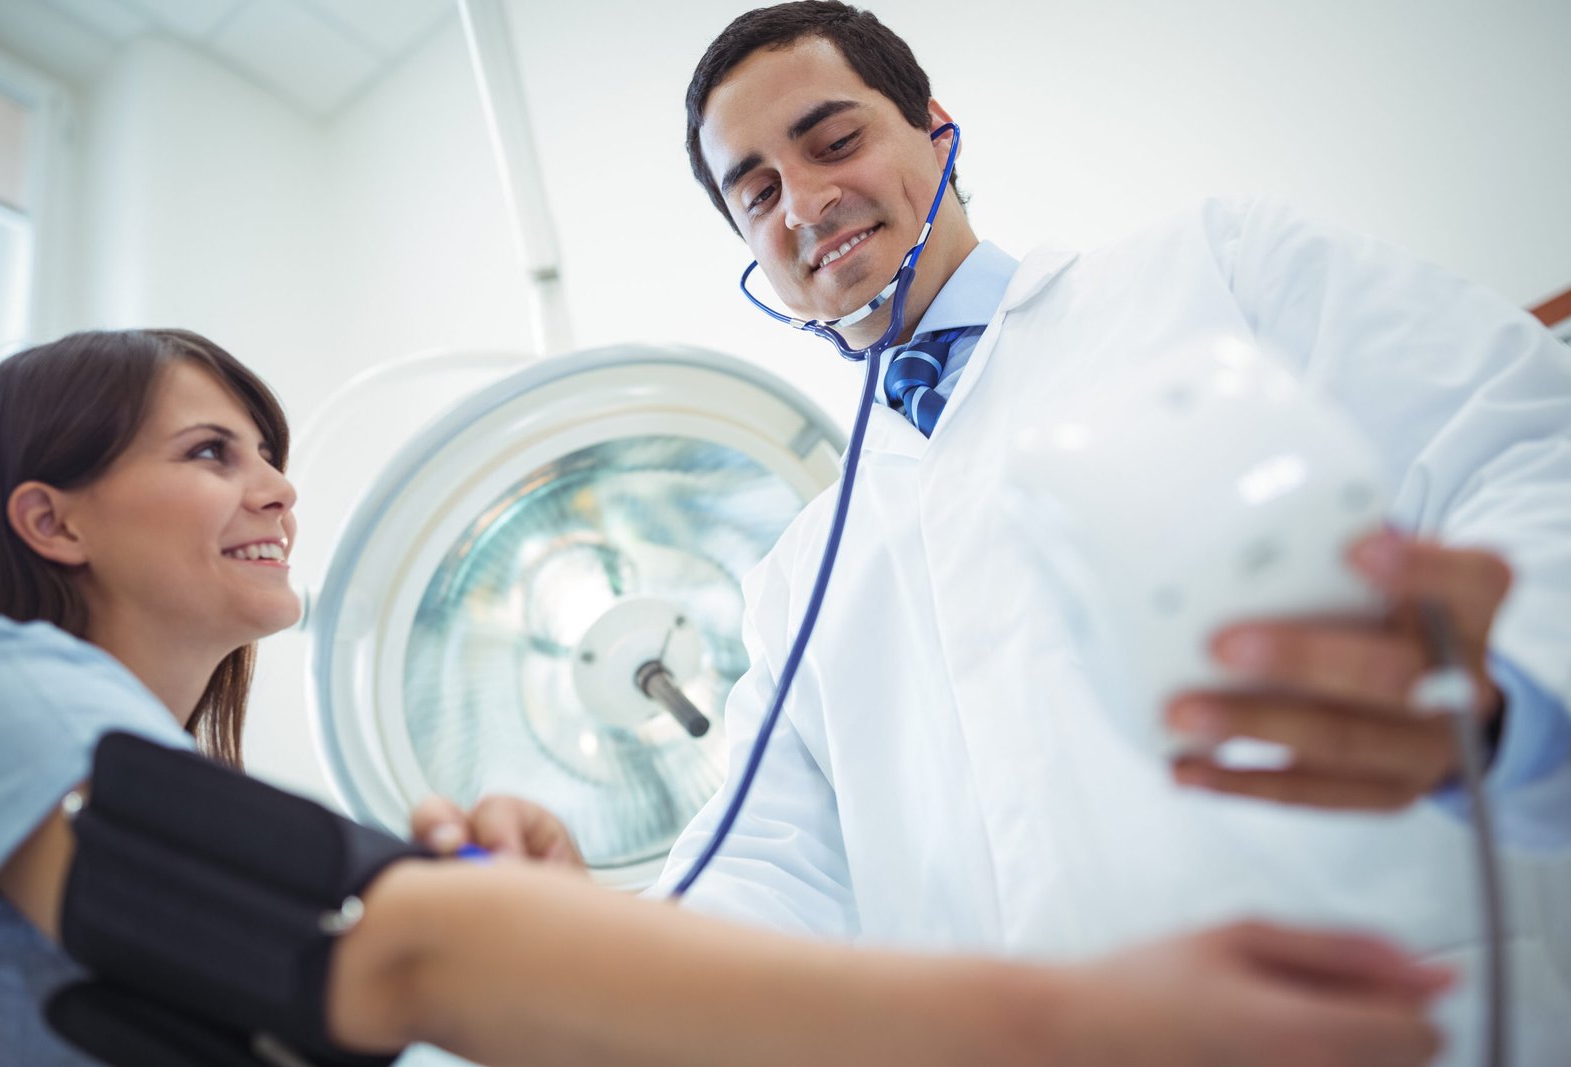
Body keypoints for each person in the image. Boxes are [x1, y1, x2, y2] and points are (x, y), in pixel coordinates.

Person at [0, 328, 1456, 1066]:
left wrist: (530, 911)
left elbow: (372, 969)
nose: (279, 486)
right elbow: (391, 956)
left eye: (271, 451)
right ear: (52, 518)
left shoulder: (123, 790)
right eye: (212, 452)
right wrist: (1071, 1018)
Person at [656, 3, 1571, 1063]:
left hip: (1401, 1020)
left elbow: (1524, 445)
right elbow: (760, 864)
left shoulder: (1218, 270)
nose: (806, 203)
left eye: (835, 140)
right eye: (757, 191)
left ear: (935, 129)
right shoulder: (794, 576)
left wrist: (1514, 692)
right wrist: (568, 947)